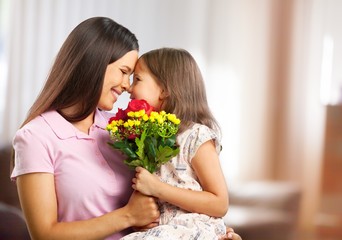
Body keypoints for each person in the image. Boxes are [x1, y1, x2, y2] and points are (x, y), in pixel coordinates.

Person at [10, 17, 242, 240]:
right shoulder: (35, 137)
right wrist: (127, 216)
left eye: (132, 77)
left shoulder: (125, 128)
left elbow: (175, 192)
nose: (126, 86)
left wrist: (209, 232)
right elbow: (44, 235)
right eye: (123, 72)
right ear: (95, 64)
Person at [121, 47, 231, 240]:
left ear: (164, 90)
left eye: (137, 79)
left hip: (190, 231)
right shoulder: (146, 138)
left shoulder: (196, 136)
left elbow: (220, 203)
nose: (129, 88)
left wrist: (158, 189)